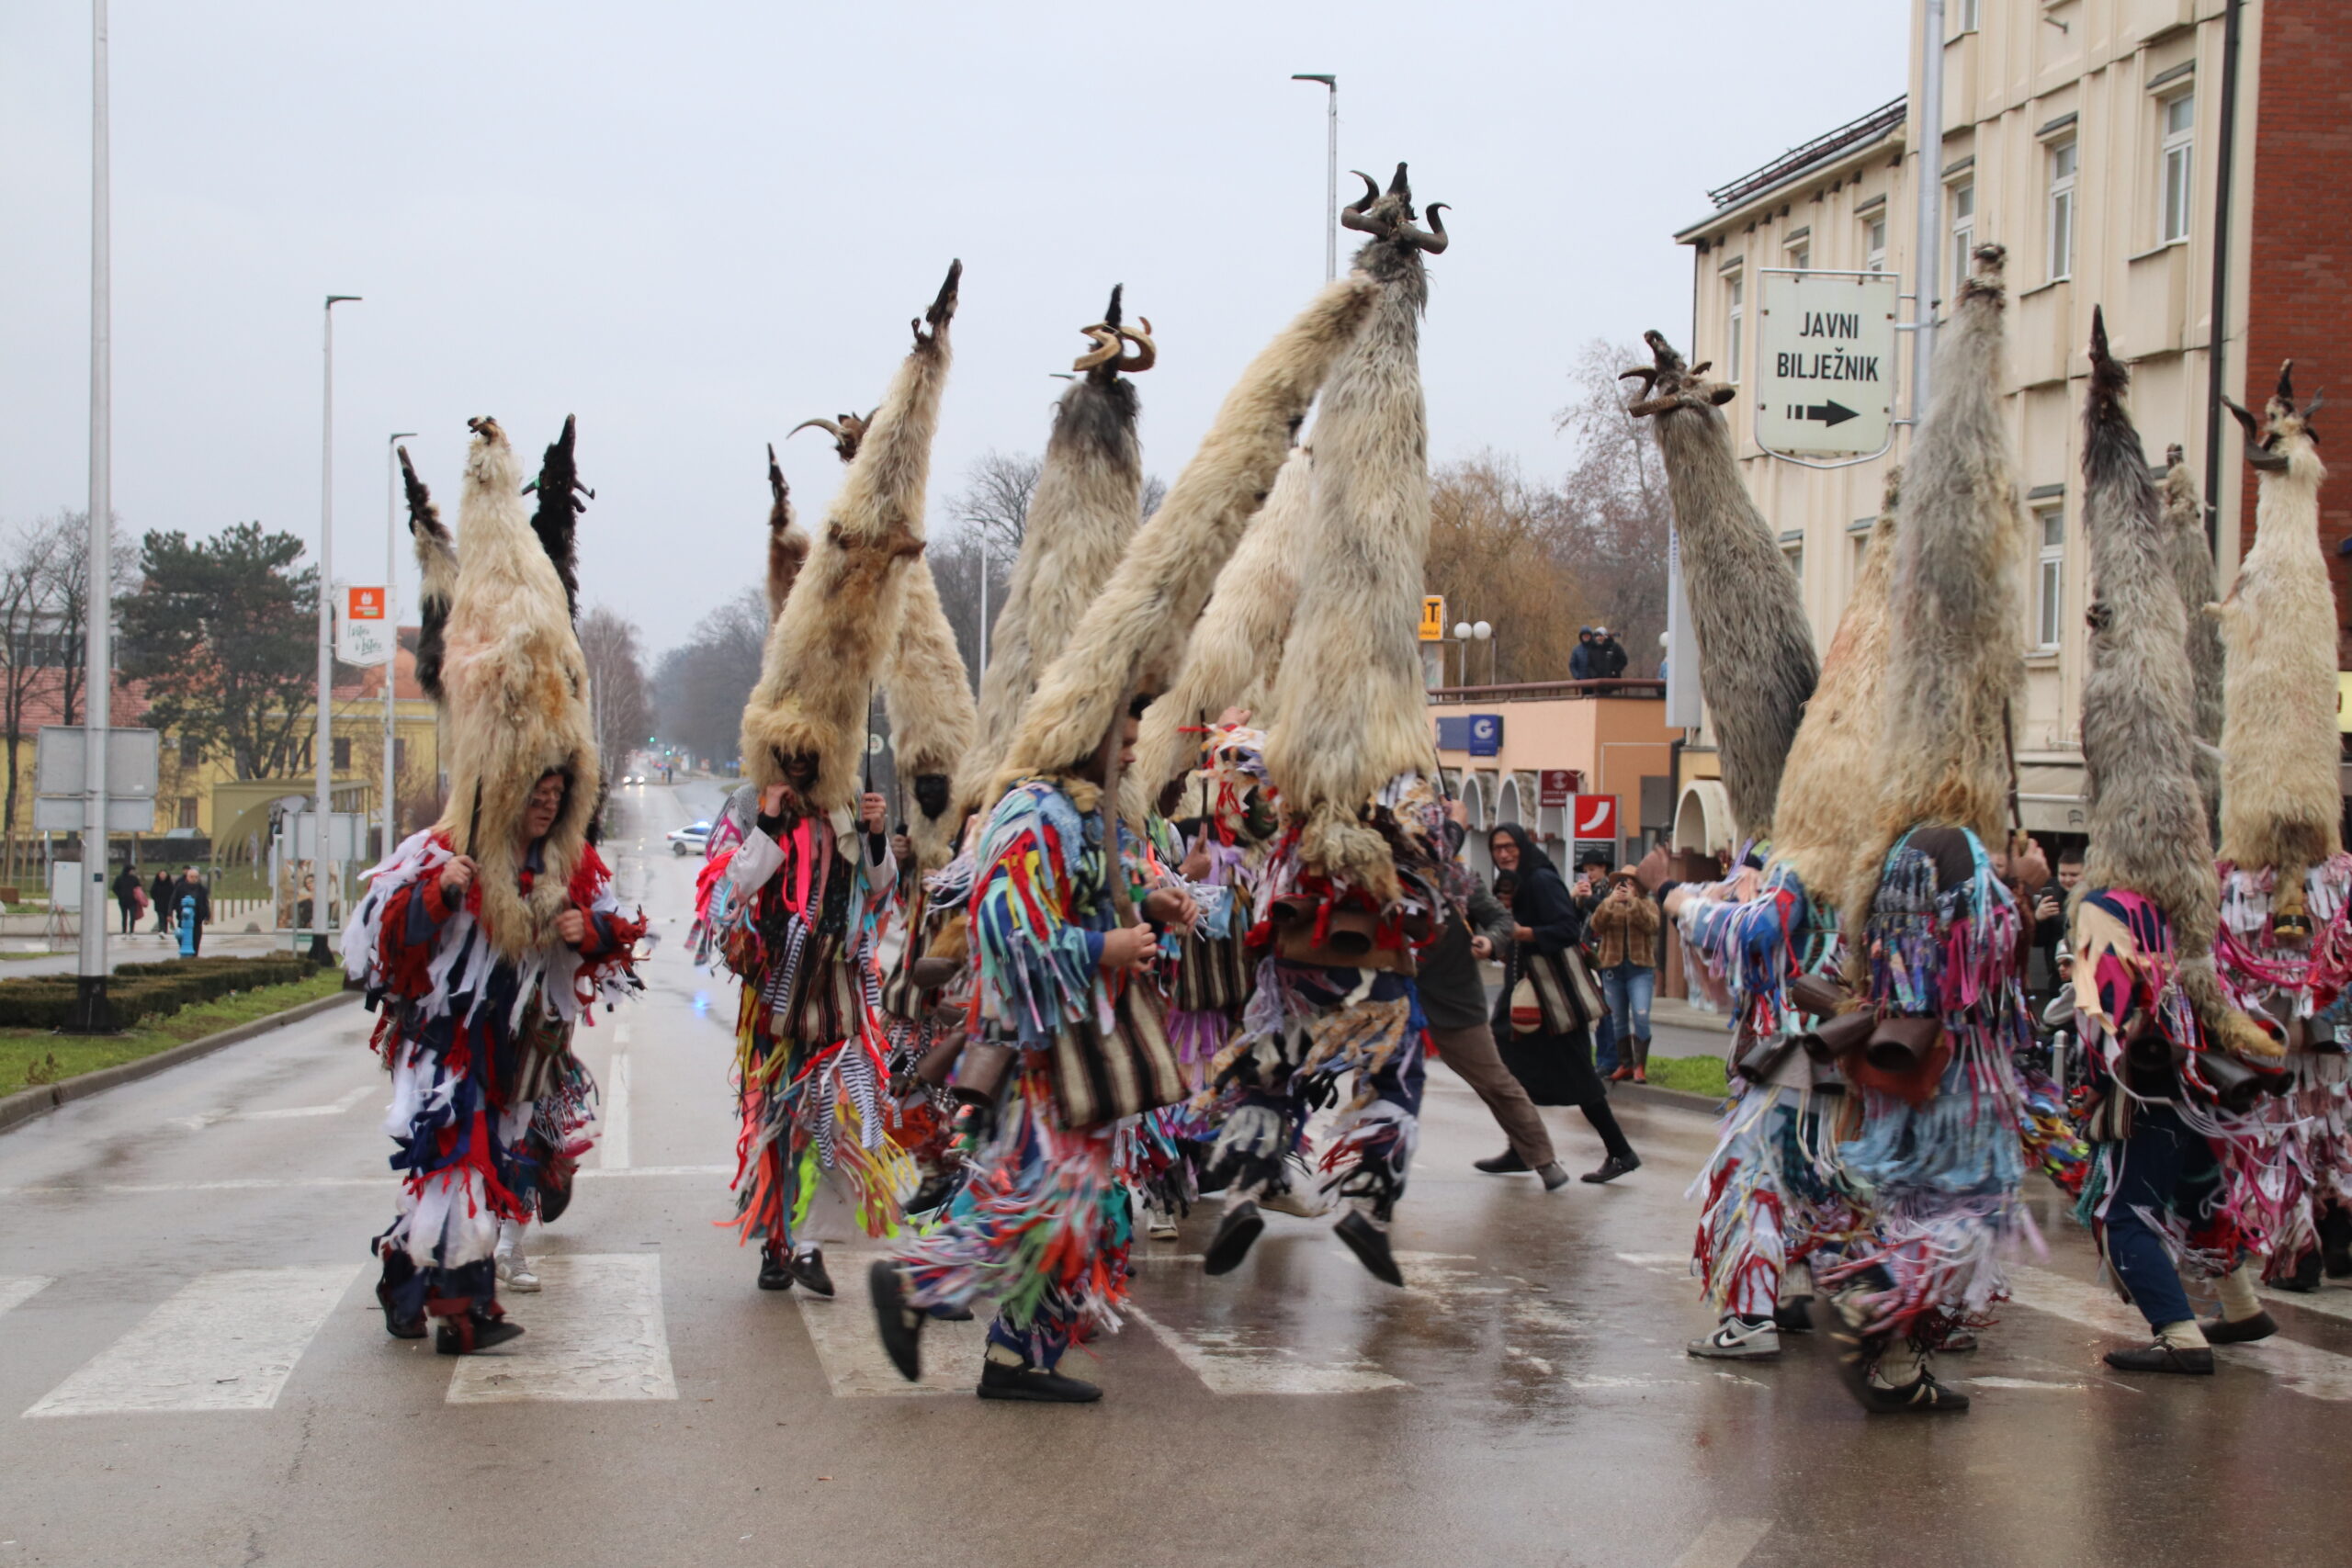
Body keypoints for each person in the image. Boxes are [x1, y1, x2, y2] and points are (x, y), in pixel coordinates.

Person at [701, 756, 899, 1297]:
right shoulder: (748, 802)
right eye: (789, 746)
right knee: (776, 1121)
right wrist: (767, 820)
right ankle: (776, 1243)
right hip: (774, 992)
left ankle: (808, 1246)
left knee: (835, 1119)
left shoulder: (849, 803)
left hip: (837, 989)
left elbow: (881, 886)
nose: (800, 758)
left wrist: (875, 834)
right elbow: (728, 889)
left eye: (812, 748)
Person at [1486, 822, 1638, 1182]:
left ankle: (1621, 1152)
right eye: (1497, 848)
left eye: (1509, 846)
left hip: (1554, 995)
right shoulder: (1516, 881)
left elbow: (1567, 928)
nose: (1503, 854)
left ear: (1523, 846)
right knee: (1508, 1067)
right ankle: (1521, 1148)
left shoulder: (1540, 879)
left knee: (1579, 1076)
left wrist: (1525, 933)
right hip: (1525, 992)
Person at [1429, 805, 1567, 1189]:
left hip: (1455, 999)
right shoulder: (1379, 874)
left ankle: (1543, 1158)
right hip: (1396, 998)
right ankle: (1372, 1169)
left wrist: (1490, 941)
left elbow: (1502, 920)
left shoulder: (1455, 877)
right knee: (1376, 1079)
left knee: (1495, 1081)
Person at [1589, 867, 1658, 1083]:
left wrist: (1633, 903)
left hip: (1640, 969)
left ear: (1638, 887)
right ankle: (1625, 1064)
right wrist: (1610, 902)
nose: (1625, 888)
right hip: (1613, 969)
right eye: (1622, 884)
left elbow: (1652, 926)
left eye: (1630, 884)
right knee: (1617, 1019)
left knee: (1641, 1015)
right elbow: (1596, 925)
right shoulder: (1609, 904)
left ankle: (1639, 1066)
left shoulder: (1646, 904)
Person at [176, 867, 211, 956]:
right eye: (191, 877)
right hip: (183, 918)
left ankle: (194, 956)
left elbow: (205, 903)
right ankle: (185, 954)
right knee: (182, 938)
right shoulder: (181, 887)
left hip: (197, 919)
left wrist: (207, 916)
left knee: (196, 941)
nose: (194, 879)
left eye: (196, 877)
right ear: (187, 877)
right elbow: (173, 900)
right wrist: (169, 914)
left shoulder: (202, 889)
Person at [112, 864, 142, 936]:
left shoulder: (134, 878)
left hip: (133, 901)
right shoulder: (119, 878)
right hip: (123, 901)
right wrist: (120, 895)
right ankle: (124, 931)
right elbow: (114, 888)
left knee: (132, 916)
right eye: (132, 870)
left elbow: (138, 887)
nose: (133, 872)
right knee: (124, 916)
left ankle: (132, 931)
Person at [149, 867, 175, 939]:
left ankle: (164, 931)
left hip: (167, 904)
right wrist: (156, 899)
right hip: (159, 904)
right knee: (161, 918)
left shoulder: (170, 884)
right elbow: (152, 892)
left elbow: (173, 894)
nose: (163, 876)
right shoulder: (156, 884)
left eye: (164, 874)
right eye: (161, 874)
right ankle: (161, 930)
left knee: (166, 918)